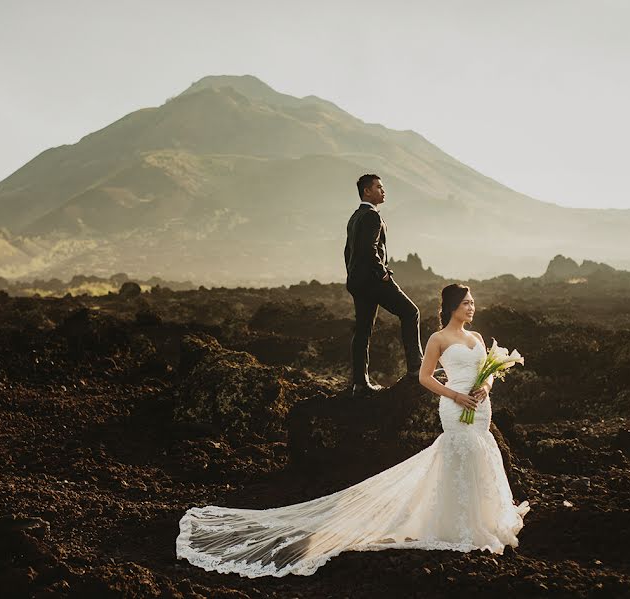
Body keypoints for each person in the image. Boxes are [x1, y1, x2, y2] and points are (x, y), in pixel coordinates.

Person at [175, 284, 530, 578]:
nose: (471, 308)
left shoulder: (478, 336)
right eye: (466, 303)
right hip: (454, 406)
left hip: (480, 407)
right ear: (453, 306)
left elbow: (490, 372)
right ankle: (456, 523)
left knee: (480, 451)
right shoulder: (438, 338)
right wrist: (455, 395)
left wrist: (485, 390)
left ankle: (480, 518)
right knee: (458, 452)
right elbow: (423, 378)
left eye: (473, 303)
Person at [344, 174, 423, 399]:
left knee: (363, 331)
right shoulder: (371, 217)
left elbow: (348, 252)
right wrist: (382, 274)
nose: (383, 190)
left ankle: (360, 384)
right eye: (379, 187)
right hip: (374, 280)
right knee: (411, 312)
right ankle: (416, 368)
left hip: (358, 282)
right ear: (367, 191)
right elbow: (368, 250)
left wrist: (352, 275)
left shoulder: (355, 217)